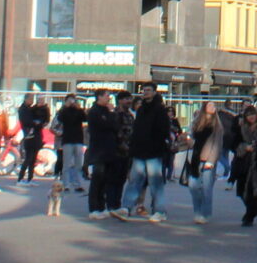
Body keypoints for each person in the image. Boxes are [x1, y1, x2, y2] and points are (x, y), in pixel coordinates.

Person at [119, 81, 172, 222]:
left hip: (153, 152)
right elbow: (137, 131)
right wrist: (134, 147)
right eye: (144, 90)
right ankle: (126, 208)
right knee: (134, 181)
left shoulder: (160, 110)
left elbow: (163, 131)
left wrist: (157, 145)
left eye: (149, 90)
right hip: (139, 151)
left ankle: (160, 211)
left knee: (155, 182)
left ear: (155, 92)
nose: (146, 92)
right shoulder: (141, 110)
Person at [84, 90, 124, 218]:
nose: (109, 98)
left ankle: (101, 207)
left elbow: (116, 126)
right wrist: (111, 114)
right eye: (106, 96)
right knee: (97, 179)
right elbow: (105, 125)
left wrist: (111, 115)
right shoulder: (94, 112)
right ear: (99, 97)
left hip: (109, 150)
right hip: (98, 151)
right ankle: (93, 209)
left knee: (105, 180)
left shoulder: (106, 111)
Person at [183, 105, 223, 225]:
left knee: (206, 188)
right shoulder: (196, 123)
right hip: (195, 158)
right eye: (209, 105)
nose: (212, 107)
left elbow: (217, 144)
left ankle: (204, 214)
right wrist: (187, 140)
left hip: (208, 159)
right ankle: (198, 211)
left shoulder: (217, 126)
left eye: (214, 105)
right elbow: (189, 137)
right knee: (193, 186)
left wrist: (211, 160)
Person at [232, 104, 257, 226]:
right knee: (241, 190)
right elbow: (233, 143)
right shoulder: (241, 127)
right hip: (243, 162)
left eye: (252, 114)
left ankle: (250, 215)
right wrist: (244, 147)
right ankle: (252, 209)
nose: (251, 117)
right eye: (248, 115)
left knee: (253, 189)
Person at [16, 91, 50, 183]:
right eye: (30, 99)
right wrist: (35, 123)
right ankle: (20, 178)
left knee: (33, 158)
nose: (32, 101)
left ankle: (30, 179)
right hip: (29, 136)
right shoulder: (23, 109)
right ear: (26, 99)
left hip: (36, 135)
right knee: (28, 158)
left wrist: (42, 111)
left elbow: (44, 119)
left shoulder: (31, 108)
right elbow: (26, 122)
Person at [55, 92, 86, 193]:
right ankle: (66, 184)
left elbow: (85, 118)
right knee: (66, 164)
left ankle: (78, 184)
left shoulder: (78, 111)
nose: (72, 102)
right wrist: (65, 107)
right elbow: (59, 119)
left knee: (78, 164)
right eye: (69, 100)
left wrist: (80, 109)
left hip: (78, 139)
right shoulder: (64, 111)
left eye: (73, 100)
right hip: (67, 139)